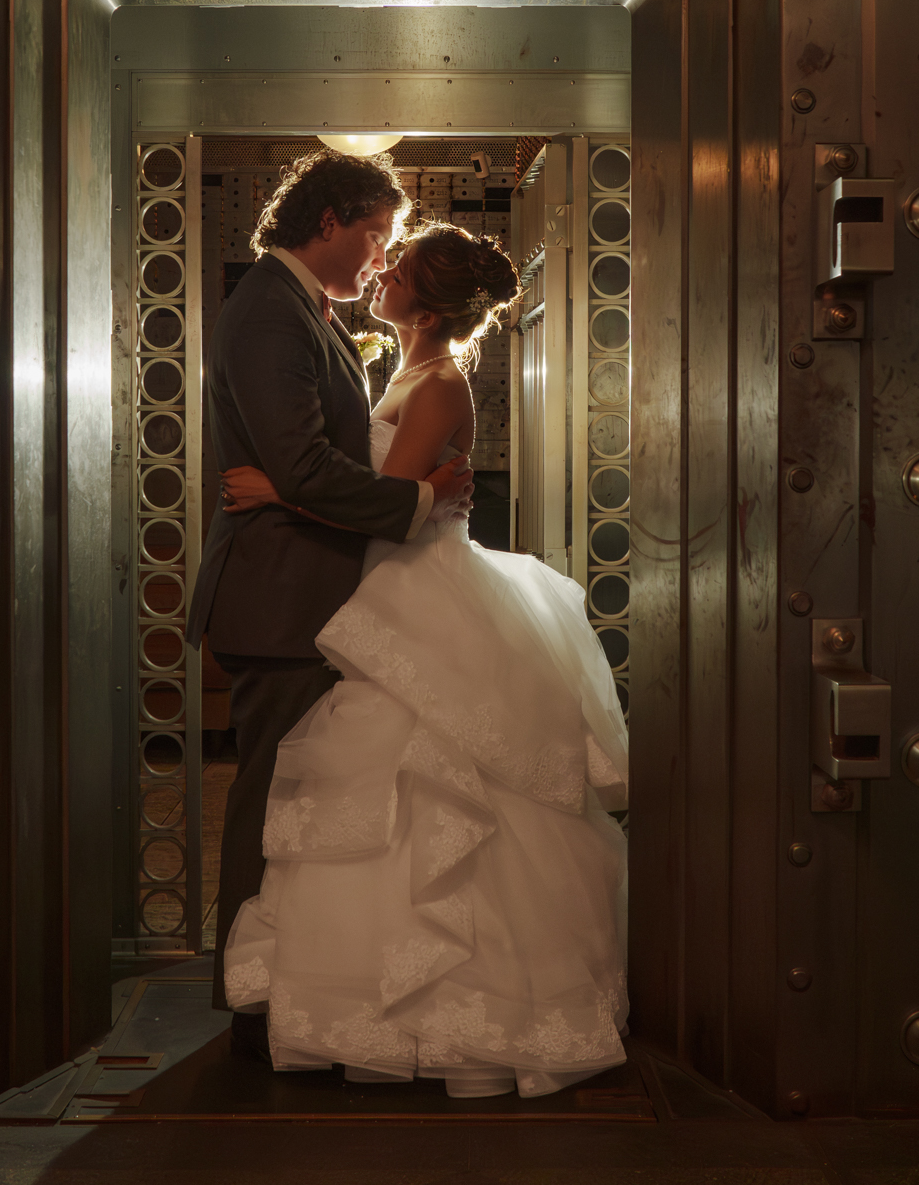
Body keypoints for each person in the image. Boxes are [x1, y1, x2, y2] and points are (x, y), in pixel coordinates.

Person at [216, 219, 631, 1097]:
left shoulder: (439, 384)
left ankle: (448, 1010)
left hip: (418, 584)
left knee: (438, 785)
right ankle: (357, 1001)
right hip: (393, 584)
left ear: (429, 300)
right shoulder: (402, 366)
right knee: (377, 794)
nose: (381, 272)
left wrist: (272, 487)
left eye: (396, 267)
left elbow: (385, 506)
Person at [185, 149, 476, 1064]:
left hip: (312, 589)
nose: (379, 257)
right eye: (376, 234)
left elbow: (302, 471)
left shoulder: (298, 311)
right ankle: (250, 1003)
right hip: (281, 597)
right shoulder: (271, 314)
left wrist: (291, 487)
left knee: (301, 803)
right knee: (271, 802)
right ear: (329, 224)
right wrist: (423, 500)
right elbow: (308, 467)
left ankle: (292, 989)